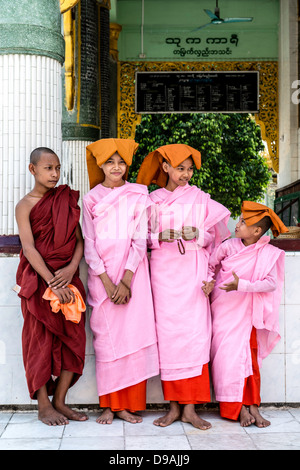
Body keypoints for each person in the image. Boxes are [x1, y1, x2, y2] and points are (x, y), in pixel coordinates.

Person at [136, 143, 231, 429]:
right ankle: (173, 407)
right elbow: (141, 238)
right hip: (164, 275)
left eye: (189, 169)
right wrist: (159, 236)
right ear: (165, 167)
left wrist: (197, 233)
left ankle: (190, 408)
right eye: (180, 168)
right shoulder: (151, 200)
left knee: (194, 336)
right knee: (169, 339)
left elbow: (216, 238)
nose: (186, 175)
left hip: (193, 273)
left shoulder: (200, 198)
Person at [82, 138, 159, 425]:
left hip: (133, 275)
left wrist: (125, 280)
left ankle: (128, 404)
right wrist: (108, 282)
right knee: (106, 341)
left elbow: (140, 240)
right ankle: (109, 404)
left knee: (132, 338)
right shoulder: (91, 199)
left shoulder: (139, 194)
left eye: (121, 162)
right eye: (110, 162)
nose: (116, 167)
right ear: (100, 164)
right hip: (102, 280)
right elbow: (89, 243)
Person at [15, 147, 87, 426]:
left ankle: (60, 400)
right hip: (38, 280)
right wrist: (51, 282)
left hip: (68, 278)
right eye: (48, 168)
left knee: (75, 338)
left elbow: (80, 241)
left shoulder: (65, 200)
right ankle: (44, 405)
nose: (54, 174)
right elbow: (29, 248)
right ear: (33, 169)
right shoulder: (25, 204)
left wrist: (70, 270)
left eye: (57, 168)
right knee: (39, 342)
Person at [202, 201, 288, 427]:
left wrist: (243, 285)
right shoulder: (228, 246)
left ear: (257, 231)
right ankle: (237, 408)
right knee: (226, 360)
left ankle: (253, 407)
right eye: (239, 219)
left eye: (243, 222)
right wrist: (210, 283)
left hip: (247, 315)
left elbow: (270, 284)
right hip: (224, 310)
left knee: (249, 361)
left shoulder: (267, 253)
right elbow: (210, 267)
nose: (237, 224)